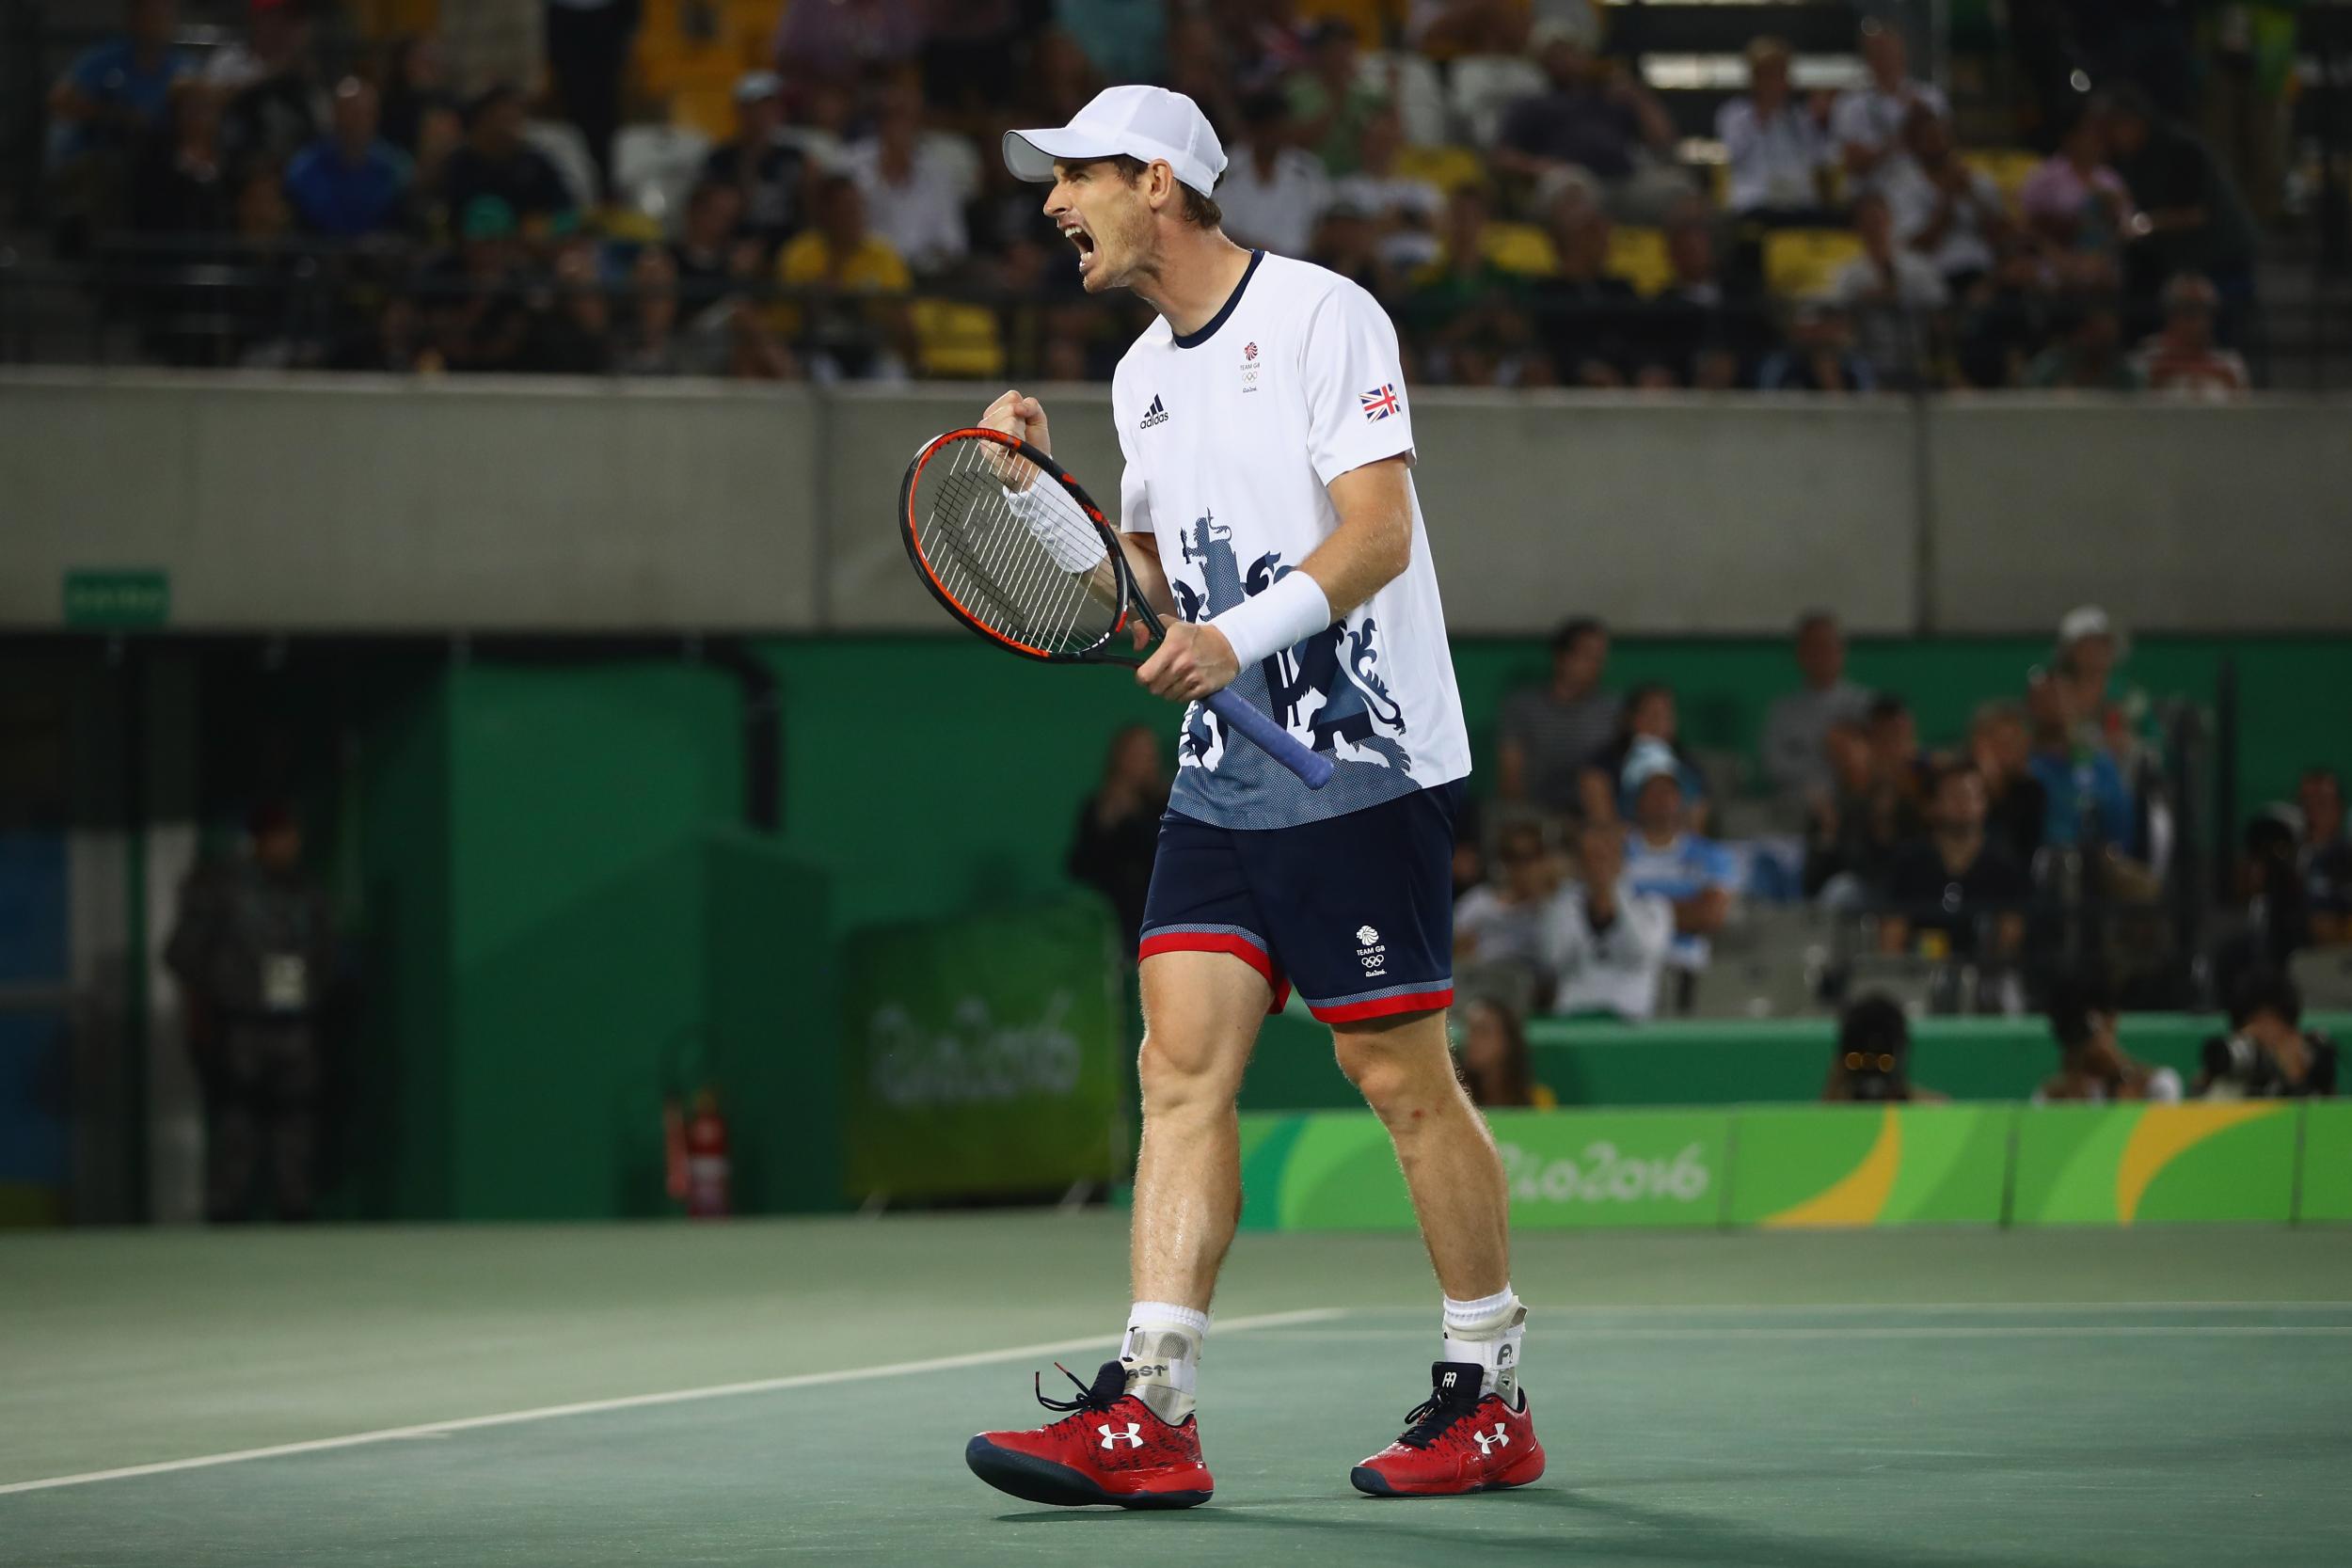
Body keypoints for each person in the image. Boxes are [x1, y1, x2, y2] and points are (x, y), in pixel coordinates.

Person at [965, 83, 1534, 1507]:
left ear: (1157, 182)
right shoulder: (1140, 375)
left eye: (1076, 175)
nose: (1052, 203)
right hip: (1222, 785)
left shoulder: (1324, 315)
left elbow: (1378, 534)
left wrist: (1243, 637)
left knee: (1397, 1077)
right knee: (1178, 1070)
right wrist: (1040, 494)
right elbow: (1145, 599)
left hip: (1358, 763)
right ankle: (1153, 1404)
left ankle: (1489, 1389)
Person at [162, 803, 338, 1223]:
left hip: (295, 1024)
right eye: (279, 835)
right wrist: (226, 993)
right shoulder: (220, 889)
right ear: (259, 839)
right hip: (239, 1025)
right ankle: (226, 1212)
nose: (289, 845)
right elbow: (181, 953)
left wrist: (315, 990)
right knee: (235, 1119)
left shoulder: (305, 890)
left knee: (297, 1119)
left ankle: (296, 1210)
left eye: (292, 835)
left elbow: (327, 953)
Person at [1619, 741, 1736, 1006]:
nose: (1664, 800)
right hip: (1628, 971)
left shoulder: (1712, 856)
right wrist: (1684, 910)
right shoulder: (1614, 854)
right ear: (1636, 798)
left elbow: (1709, 916)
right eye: (1654, 790)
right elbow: (1607, 915)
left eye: (1670, 790)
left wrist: (1639, 912)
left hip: (1690, 974)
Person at [1880, 762, 2032, 961]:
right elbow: (1892, 933)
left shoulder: (2004, 861)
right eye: (1954, 795)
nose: (1964, 803)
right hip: (1921, 970)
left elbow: (2011, 932)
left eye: (1972, 794)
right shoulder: (1910, 861)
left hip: (1987, 973)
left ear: (1985, 803)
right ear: (1933, 805)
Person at [1539, 819, 1672, 1022]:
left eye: (1605, 856)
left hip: (1630, 1020)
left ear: (1621, 860)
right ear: (1578, 865)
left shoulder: (1653, 907)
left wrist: (1613, 900)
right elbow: (1553, 960)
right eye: (1590, 858)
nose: (1598, 866)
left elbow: (1643, 953)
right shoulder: (1561, 906)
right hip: (1572, 1017)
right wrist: (1587, 909)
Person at [1496, 616, 1615, 817]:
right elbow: (1511, 775)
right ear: (1562, 657)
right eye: (1588, 656)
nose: (1596, 666)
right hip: (1538, 814)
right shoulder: (1523, 708)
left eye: (1600, 658)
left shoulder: (1612, 710)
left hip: (1594, 817)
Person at [1067, 723, 1169, 951]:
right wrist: (1106, 823)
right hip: (1108, 923)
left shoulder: (1170, 803)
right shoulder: (1099, 806)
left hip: (1159, 916)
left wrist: (1132, 819)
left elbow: (1166, 858)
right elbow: (1079, 866)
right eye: (1135, 754)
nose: (1143, 762)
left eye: (1148, 754)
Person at [1717, 36, 1834, 223]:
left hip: (1799, 203)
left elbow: (1821, 157)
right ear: (1754, 77)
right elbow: (1734, 153)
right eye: (1767, 74)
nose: (1773, 82)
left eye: (1779, 74)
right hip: (1756, 201)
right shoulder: (1734, 114)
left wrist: (1823, 124)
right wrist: (1764, 113)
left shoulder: (1801, 117)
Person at [1761, 611, 1872, 805]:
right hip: (1797, 807)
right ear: (1800, 654)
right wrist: (1825, 757)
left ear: (1841, 651)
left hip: (1857, 806)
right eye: (1812, 648)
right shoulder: (1783, 711)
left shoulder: (1865, 705)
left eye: (1827, 646)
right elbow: (1774, 765)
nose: (1821, 655)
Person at [1830, 19, 1947, 199]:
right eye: (1877, 52)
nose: (1885, 58)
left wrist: (1924, 121)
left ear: (1902, 53)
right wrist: (1901, 137)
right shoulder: (1850, 105)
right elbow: (1854, 164)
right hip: (1874, 200)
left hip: (1924, 196)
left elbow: (1945, 153)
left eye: (1889, 50)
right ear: (1868, 58)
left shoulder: (1929, 97)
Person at [283, 77, 410, 239]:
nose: (358, 122)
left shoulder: (396, 166)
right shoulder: (305, 168)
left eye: (366, 114)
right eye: (351, 114)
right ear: (335, 116)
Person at [542, 0, 638, 201]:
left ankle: (607, 186)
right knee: (574, 110)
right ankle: (578, 187)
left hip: (608, 13)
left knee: (605, 110)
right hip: (563, 14)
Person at [2035, 975, 2183, 1103]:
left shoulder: (2159, 1085)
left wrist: (2124, 1073)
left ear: (2111, 1021)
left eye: (2095, 1029)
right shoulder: (2049, 1097)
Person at [2197, 971, 2339, 1099]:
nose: (2264, 1035)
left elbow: (2327, 1120)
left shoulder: (2306, 1067)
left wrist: (2297, 1082)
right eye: (2255, 1023)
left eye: (2271, 1024)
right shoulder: (2232, 1073)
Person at [1582, 683, 1706, 831]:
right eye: (1651, 714)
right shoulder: (1603, 766)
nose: (1658, 722)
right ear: (1629, 719)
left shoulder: (1688, 767)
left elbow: (1697, 824)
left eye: (1665, 714)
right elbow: (1603, 824)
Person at [2132, 272, 2250, 400]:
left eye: (2206, 312)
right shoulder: (2145, 360)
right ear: (2170, 315)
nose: (2201, 323)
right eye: (2190, 312)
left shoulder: (2231, 363)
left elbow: (2245, 409)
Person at [1821, 992, 1938, 1101]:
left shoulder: (1932, 1111)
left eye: (1885, 1061)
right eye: (1857, 1060)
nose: (1872, 1067)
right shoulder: (1826, 1113)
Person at [1454, 998, 1556, 1109]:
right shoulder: (1454, 1098)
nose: (1471, 1040)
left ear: (1508, 1040)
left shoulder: (1538, 1100)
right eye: (1469, 1031)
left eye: (1483, 1031)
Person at [2299, 769, 2352, 948]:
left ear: (2339, 809)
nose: (2312, 814)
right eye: (2306, 805)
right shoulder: (2287, 856)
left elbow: (2324, 930)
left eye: (2321, 804)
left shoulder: (2345, 858)